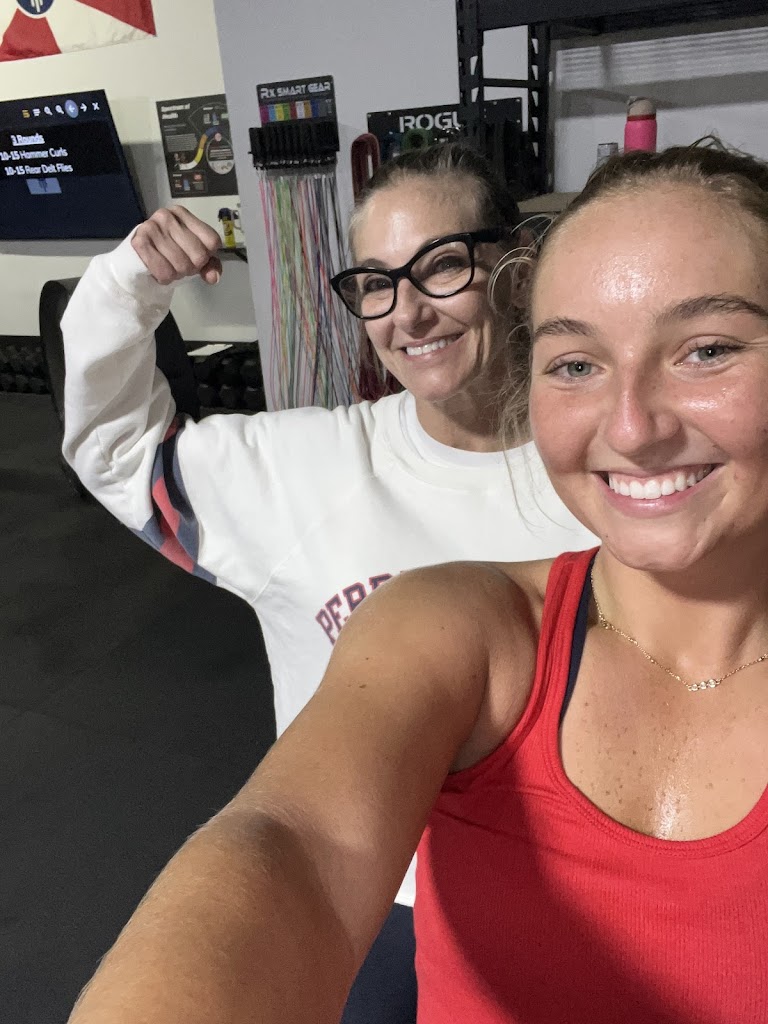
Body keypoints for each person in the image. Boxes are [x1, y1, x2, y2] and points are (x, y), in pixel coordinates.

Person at [65, 138, 768, 1024]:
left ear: (514, 272)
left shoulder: (616, 486)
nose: (409, 312)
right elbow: (290, 845)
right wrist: (126, 284)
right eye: (375, 283)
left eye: (440, 267)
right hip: (380, 907)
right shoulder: (313, 472)